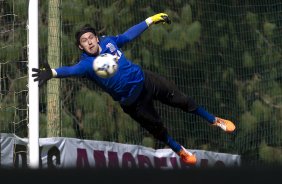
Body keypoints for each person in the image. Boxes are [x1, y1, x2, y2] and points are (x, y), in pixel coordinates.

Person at [32, 13, 236, 165]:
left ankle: (214, 120)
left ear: (96, 37)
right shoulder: (86, 64)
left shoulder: (109, 42)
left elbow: (128, 35)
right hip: (133, 102)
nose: (89, 42)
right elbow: (71, 70)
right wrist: (52, 73)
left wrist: (150, 20)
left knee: (184, 101)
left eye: (90, 37)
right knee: (158, 129)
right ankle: (179, 150)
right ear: (80, 47)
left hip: (146, 80)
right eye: (84, 41)